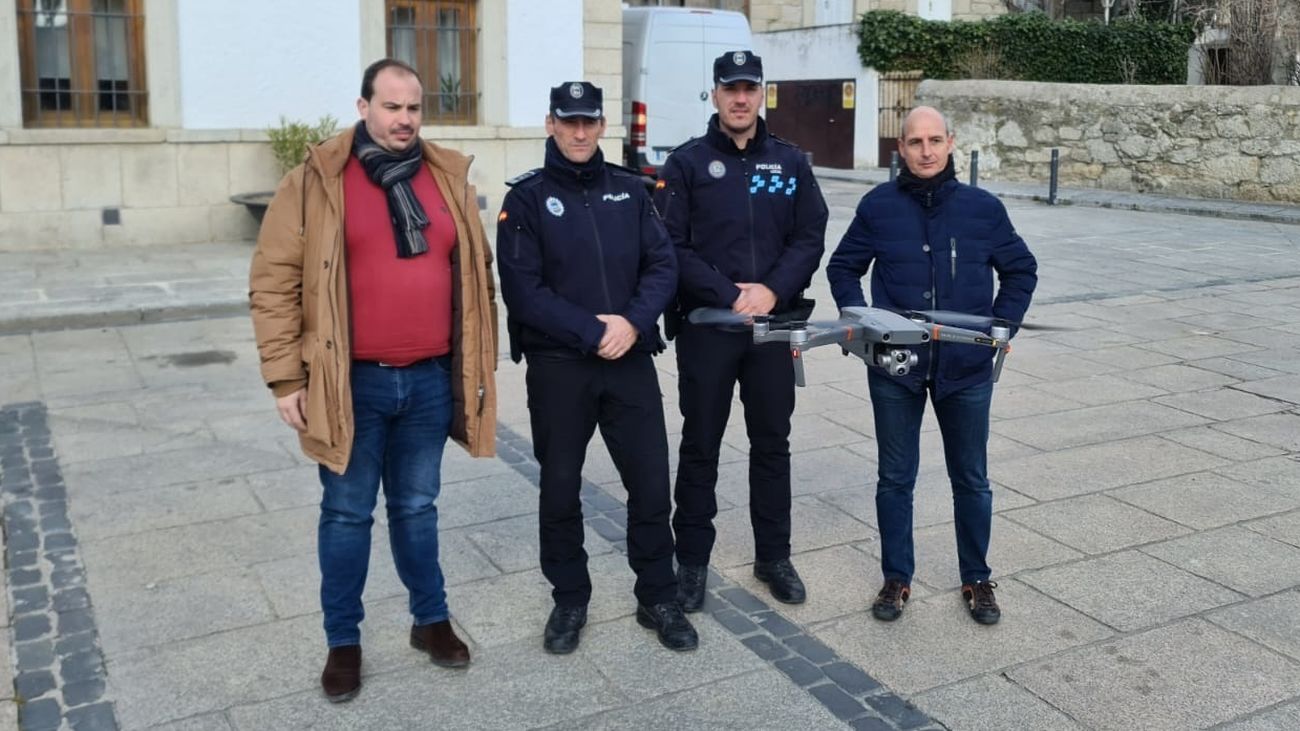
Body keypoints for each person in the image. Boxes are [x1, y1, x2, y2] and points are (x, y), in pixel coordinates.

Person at [249, 58, 498, 702]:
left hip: (428, 381)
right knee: (347, 514)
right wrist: (284, 379)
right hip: (348, 383)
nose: (404, 119)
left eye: (414, 107)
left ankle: (430, 621)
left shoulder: (445, 178)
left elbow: (475, 276)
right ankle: (344, 642)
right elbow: (273, 282)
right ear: (364, 108)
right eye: (391, 107)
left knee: (418, 508)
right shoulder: (316, 179)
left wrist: (479, 361)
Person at [496, 81, 697, 654]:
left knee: (652, 486)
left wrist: (630, 324)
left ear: (602, 125)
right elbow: (523, 290)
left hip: (629, 360)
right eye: (569, 121)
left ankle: (657, 595)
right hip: (560, 365)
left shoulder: (632, 193)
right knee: (560, 488)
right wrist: (592, 330)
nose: (580, 132)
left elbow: (662, 266)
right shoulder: (528, 200)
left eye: (589, 122)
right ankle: (569, 598)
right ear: (551, 123)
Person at [826, 106, 1038, 625]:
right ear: (900, 148)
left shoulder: (982, 209)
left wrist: (1002, 326)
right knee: (895, 478)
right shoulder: (878, 207)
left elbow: (1020, 269)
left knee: (972, 479)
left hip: (965, 369)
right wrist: (862, 320)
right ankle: (897, 577)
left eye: (934, 140)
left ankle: (978, 578)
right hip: (896, 366)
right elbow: (843, 267)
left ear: (951, 143)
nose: (925, 150)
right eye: (915, 141)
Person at [655, 51, 828, 610]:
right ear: (715, 94)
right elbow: (670, 246)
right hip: (709, 328)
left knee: (772, 444)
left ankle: (773, 555)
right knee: (700, 445)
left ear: (762, 94)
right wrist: (730, 293)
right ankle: (693, 563)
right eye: (730, 88)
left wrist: (772, 291)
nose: (740, 98)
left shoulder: (790, 162)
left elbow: (810, 234)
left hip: (772, 329)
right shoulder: (685, 164)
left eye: (749, 88)